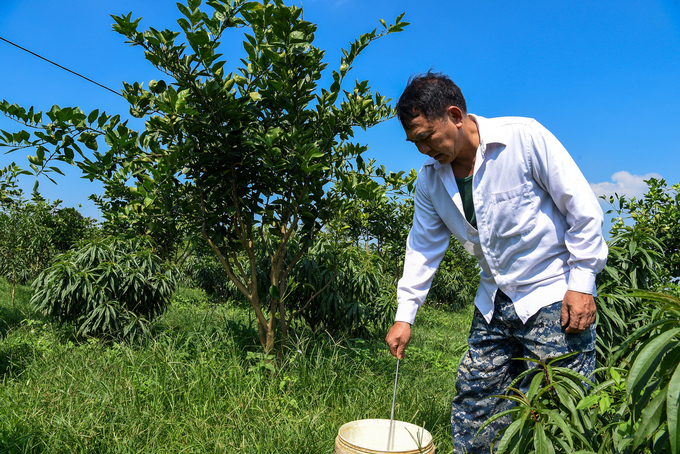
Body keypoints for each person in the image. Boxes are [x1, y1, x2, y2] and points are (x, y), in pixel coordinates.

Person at [385, 72, 608, 453]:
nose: (423, 150)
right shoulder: (431, 181)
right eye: (414, 142)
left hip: (553, 294)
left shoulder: (523, 138)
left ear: (455, 115)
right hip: (494, 300)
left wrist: (582, 282)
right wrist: (405, 315)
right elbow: (423, 247)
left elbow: (582, 209)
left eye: (426, 137)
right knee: (475, 399)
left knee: (567, 408)